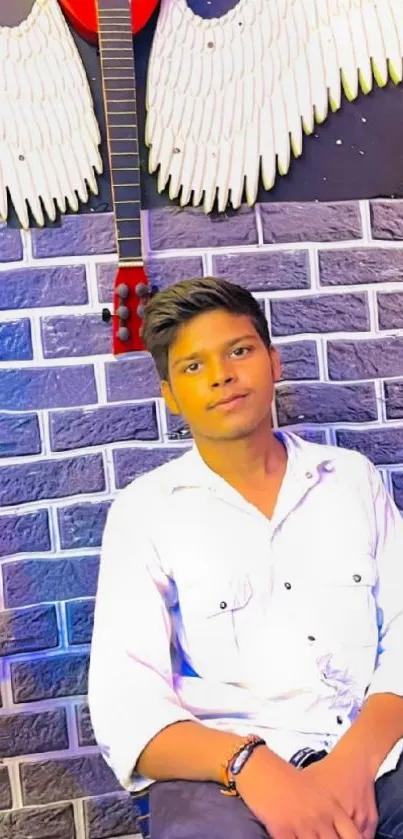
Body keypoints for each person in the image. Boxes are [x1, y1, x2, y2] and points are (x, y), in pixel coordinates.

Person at [88, 276, 403, 839]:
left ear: (274, 362)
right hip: (222, 774)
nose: (221, 375)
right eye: (192, 367)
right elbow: (126, 701)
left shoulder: (351, 479)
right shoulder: (146, 512)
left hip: (374, 749)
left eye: (239, 350)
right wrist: (249, 766)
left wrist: (354, 764)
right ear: (170, 395)